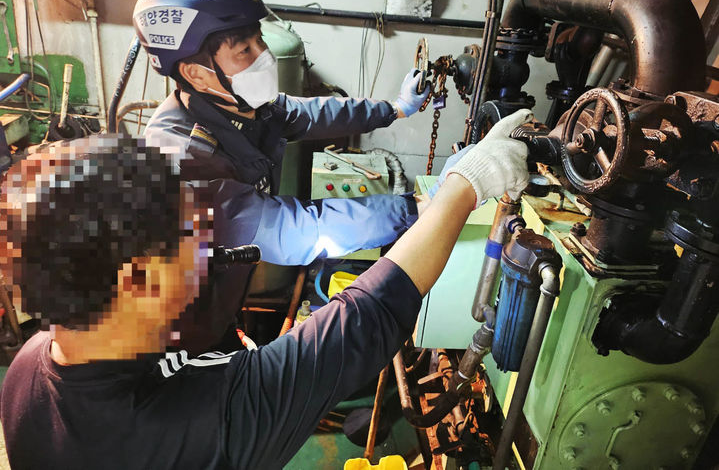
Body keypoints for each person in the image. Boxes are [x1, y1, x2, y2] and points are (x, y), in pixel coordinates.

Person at [0, 110, 531, 470]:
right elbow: (364, 318)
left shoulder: (27, 368)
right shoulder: (207, 422)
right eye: (189, 236)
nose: (206, 247)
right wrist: (464, 186)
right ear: (139, 281)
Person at [135, 0, 431, 268]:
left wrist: (396, 109)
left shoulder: (243, 105)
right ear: (196, 74)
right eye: (244, 51)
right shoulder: (181, 160)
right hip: (191, 304)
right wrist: (414, 208)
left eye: (260, 41)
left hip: (234, 278)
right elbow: (290, 230)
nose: (265, 57)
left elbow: (314, 114)